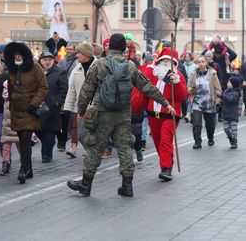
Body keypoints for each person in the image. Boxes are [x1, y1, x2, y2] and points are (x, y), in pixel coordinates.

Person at [67, 33, 174, 197]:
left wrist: (81, 111)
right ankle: (127, 186)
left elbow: (86, 91)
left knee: (95, 147)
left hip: (101, 112)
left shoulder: (99, 65)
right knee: (125, 149)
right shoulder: (130, 66)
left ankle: (86, 184)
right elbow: (147, 87)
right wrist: (166, 103)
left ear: (109, 47)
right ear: (124, 48)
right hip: (123, 114)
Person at [4, 42, 48, 184]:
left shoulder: (35, 67)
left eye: (19, 54)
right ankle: (29, 169)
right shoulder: (11, 69)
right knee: (23, 141)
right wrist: (10, 108)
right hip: (16, 111)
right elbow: (10, 90)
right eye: (14, 54)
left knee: (25, 138)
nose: (17, 56)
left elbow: (43, 87)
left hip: (30, 110)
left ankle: (23, 170)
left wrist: (33, 104)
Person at [144, 47, 188, 181]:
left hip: (170, 114)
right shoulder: (153, 72)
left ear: (174, 63)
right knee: (158, 142)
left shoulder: (177, 76)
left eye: (169, 61)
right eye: (164, 60)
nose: (166, 63)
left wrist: (176, 82)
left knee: (165, 139)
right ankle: (167, 162)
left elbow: (182, 96)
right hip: (153, 114)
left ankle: (166, 168)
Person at [64, 43, 97, 158]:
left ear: (86, 54)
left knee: (95, 133)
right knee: (81, 133)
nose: (76, 55)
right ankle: (91, 150)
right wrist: (67, 108)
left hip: (97, 108)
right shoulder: (76, 70)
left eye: (79, 53)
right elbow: (71, 90)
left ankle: (93, 154)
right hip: (81, 107)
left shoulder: (99, 66)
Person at [37, 51, 68, 163]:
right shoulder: (36, 71)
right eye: (45, 60)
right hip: (37, 106)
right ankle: (48, 144)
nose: (47, 62)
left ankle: (46, 155)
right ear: (41, 61)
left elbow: (64, 90)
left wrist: (57, 102)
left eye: (49, 60)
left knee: (49, 132)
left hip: (52, 108)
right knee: (38, 130)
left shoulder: (60, 72)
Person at [188, 55, 222, 149]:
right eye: (199, 62)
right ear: (197, 64)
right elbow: (189, 87)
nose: (201, 64)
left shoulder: (212, 73)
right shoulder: (193, 73)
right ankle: (197, 142)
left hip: (209, 103)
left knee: (210, 125)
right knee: (197, 124)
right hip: (197, 103)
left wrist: (218, 99)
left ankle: (210, 138)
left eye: (203, 62)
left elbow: (218, 88)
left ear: (206, 63)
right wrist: (191, 89)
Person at [220, 77, 241, 149]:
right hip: (226, 113)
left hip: (233, 114)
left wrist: (223, 97)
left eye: (229, 82)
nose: (227, 84)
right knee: (226, 129)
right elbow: (224, 100)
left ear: (233, 84)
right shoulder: (226, 91)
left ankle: (234, 141)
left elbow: (231, 100)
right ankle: (231, 138)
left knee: (234, 129)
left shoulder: (236, 93)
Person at [183, 52, 198, 123]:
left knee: (190, 101)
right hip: (184, 85)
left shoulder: (195, 66)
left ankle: (188, 114)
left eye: (188, 57)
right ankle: (189, 114)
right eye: (186, 57)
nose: (187, 58)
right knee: (186, 101)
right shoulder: (183, 65)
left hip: (192, 85)